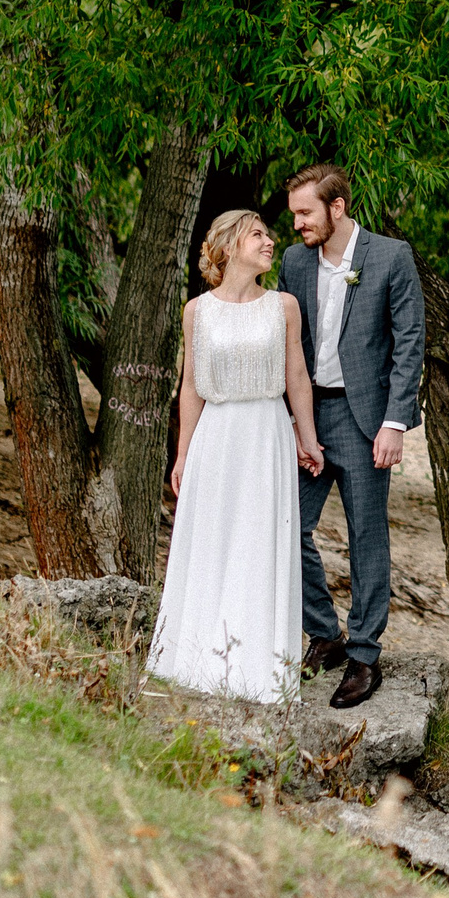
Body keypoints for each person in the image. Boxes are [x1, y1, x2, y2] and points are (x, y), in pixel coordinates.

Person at [147, 210, 325, 701]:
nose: (271, 242)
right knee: (213, 540)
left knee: (258, 540)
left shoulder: (284, 306)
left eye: (270, 234)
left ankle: (255, 667)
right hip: (216, 438)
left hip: (266, 434)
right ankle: (196, 660)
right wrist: (182, 455)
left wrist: (306, 439)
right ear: (228, 246)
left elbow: (296, 378)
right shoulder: (197, 311)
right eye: (259, 235)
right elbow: (190, 388)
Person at [280, 163, 426, 709]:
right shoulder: (295, 262)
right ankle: (325, 634)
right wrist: (297, 423)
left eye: (305, 213)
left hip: (367, 421)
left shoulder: (391, 257)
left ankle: (364, 655)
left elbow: (410, 341)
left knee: (368, 538)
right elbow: (289, 345)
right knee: (288, 522)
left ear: (336, 207)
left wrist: (395, 422)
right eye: (294, 214)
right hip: (309, 413)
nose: (296, 224)